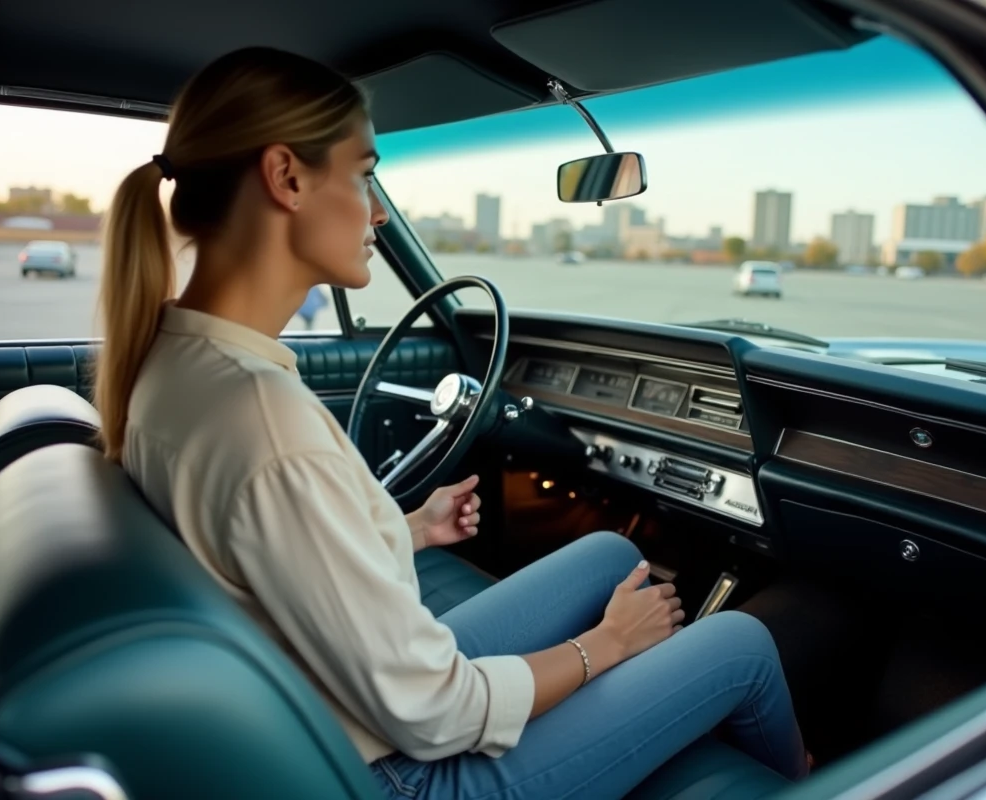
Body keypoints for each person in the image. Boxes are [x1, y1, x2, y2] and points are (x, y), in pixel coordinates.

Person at [93, 46, 809, 799]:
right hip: (392, 771)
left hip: (324, 702)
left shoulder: (177, 360)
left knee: (605, 555)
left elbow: (273, 554)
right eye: (365, 175)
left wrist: (409, 529)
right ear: (286, 178)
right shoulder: (264, 422)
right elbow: (435, 713)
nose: (376, 211)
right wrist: (607, 645)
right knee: (739, 645)